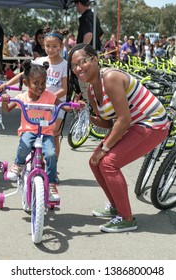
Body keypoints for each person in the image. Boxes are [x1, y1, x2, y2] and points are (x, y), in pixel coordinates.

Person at [67, 43, 169, 233]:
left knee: (107, 163)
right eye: (74, 66)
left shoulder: (111, 77)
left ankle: (127, 218)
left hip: (153, 123)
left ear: (95, 60)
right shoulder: (91, 89)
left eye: (82, 62)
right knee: (94, 161)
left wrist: (105, 149)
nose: (78, 68)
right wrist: (84, 112)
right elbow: (107, 122)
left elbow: (123, 120)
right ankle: (116, 206)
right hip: (134, 124)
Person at [0, 28, 69, 184]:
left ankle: (51, 170)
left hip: (54, 104)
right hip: (35, 102)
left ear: (61, 46)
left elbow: (65, 88)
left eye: (55, 46)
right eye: (48, 46)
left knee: (53, 135)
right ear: (43, 45)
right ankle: (29, 164)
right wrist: (7, 84)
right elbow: (24, 75)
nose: (51, 49)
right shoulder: (39, 62)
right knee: (29, 140)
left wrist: (48, 99)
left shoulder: (64, 65)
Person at [0, 61, 74, 202]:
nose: (41, 87)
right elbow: (6, 109)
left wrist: (74, 105)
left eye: (43, 83)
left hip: (46, 132)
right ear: (26, 83)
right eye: (36, 83)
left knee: (51, 154)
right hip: (29, 131)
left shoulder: (50, 97)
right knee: (25, 145)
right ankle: (18, 165)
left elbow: (65, 107)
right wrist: (4, 100)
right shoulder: (22, 97)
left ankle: (51, 183)